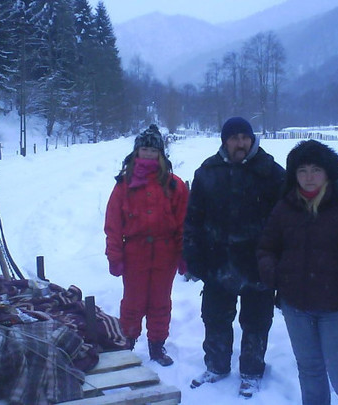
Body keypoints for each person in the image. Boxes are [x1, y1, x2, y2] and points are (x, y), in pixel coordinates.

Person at [257, 140, 338, 405]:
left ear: (328, 172)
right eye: (302, 170)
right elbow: (266, 247)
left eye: (316, 169)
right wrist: (276, 276)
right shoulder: (285, 208)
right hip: (296, 308)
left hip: (337, 309)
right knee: (310, 373)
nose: (309, 177)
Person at [183, 116, 286, 398]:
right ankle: (216, 366)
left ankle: (252, 372)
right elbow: (193, 219)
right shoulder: (207, 172)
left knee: (256, 321)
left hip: (258, 264)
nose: (240, 143)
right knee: (215, 318)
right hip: (218, 262)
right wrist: (192, 255)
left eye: (245, 137)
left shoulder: (272, 172)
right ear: (224, 141)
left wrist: (278, 259)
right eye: (234, 138)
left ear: (252, 139)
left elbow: (284, 221)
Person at [104, 124, 189, 366]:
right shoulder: (123, 185)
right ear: (136, 152)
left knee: (161, 302)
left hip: (166, 254)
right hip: (135, 254)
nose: (149, 155)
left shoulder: (175, 185)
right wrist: (115, 256)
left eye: (154, 150)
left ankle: (157, 347)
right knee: (133, 301)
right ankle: (128, 343)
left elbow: (184, 221)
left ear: (161, 154)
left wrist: (184, 253)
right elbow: (113, 224)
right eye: (144, 150)